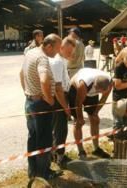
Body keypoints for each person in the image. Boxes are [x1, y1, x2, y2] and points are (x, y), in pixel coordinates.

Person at [20, 33, 62, 180]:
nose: (58, 52)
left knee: (32, 137)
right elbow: (44, 80)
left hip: (30, 102)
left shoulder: (30, 52)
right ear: (49, 46)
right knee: (44, 140)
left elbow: (21, 73)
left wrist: (28, 92)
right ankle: (44, 172)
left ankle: (33, 170)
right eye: (57, 49)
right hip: (41, 105)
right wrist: (50, 100)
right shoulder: (42, 59)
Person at [68, 68, 112, 159]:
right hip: (75, 91)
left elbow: (103, 99)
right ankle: (81, 151)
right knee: (78, 123)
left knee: (95, 120)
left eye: (100, 92)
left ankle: (96, 149)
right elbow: (78, 103)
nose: (99, 93)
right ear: (95, 86)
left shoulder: (110, 83)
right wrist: (80, 117)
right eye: (97, 91)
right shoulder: (83, 84)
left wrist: (95, 112)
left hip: (90, 92)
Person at [49, 36, 76, 168]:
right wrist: (66, 107)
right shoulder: (57, 62)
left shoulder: (62, 61)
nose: (70, 54)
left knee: (57, 129)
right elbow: (57, 89)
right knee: (61, 130)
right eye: (69, 51)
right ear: (61, 48)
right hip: (59, 99)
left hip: (61, 97)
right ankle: (59, 157)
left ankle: (55, 154)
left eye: (72, 52)